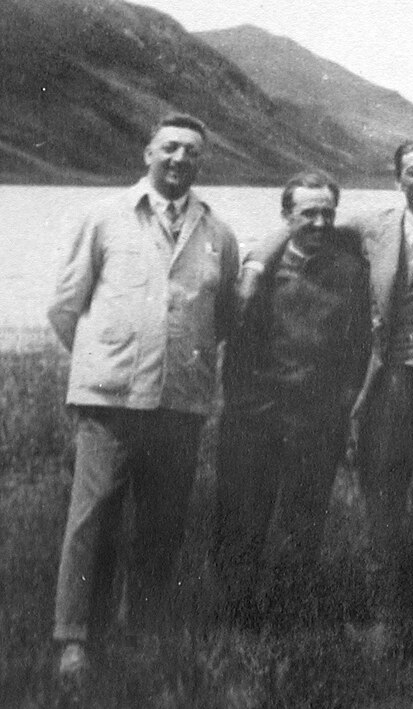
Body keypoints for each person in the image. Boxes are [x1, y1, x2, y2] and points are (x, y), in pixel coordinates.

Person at [245, 140, 413, 662]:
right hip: (387, 381)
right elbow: (303, 225)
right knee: (381, 492)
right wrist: (255, 261)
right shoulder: (372, 227)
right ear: (398, 181)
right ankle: (388, 616)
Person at [47, 113, 239, 681]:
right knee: (93, 517)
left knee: (163, 522)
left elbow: (220, 317)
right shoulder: (105, 218)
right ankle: (75, 638)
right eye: (171, 148)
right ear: (147, 153)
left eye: (192, 153)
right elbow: (65, 306)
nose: (181, 160)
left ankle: (143, 630)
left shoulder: (217, 233)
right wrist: (102, 361)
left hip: (179, 402)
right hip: (109, 399)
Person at [212, 171, 371, 630]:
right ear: (287, 217)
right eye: (308, 213)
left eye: (328, 213)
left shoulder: (351, 273)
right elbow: (235, 346)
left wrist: (340, 405)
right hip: (255, 415)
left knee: (303, 521)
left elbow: (359, 347)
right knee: (241, 517)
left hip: (317, 419)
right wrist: (245, 403)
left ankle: (288, 615)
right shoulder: (255, 272)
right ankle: (235, 616)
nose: (320, 222)